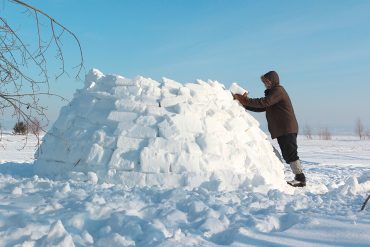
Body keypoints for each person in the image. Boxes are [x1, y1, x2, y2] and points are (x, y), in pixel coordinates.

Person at [233, 71, 306, 187]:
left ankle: (300, 179)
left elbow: (264, 102)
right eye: (264, 82)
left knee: (291, 154)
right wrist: (245, 104)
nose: (266, 84)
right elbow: (262, 107)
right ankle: (299, 177)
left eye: (267, 82)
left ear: (273, 81)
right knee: (287, 155)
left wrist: (244, 100)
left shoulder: (278, 91)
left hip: (287, 127)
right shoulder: (273, 93)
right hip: (283, 128)